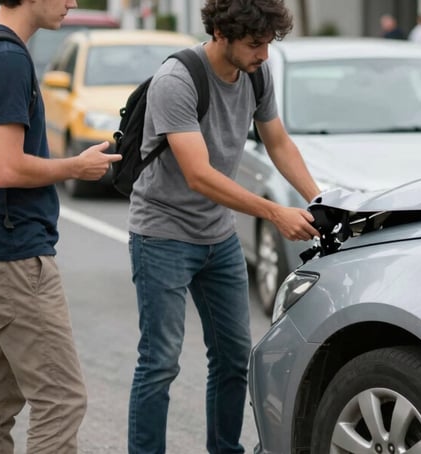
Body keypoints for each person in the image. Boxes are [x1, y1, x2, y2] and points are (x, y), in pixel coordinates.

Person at [126, 0, 320, 452]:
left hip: (217, 236)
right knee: (160, 362)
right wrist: (275, 213)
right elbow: (199, 174)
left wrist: (317, 198)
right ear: (221, 34)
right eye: (255, 44)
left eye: (268, 44)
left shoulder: (256, 74)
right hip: (162, 234)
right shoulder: (176, 81)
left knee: (235, 358)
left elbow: (278, 141)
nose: (264, 55)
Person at [0, 0, 122, 452]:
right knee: (61, 399)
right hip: (12, 258)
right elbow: (6, 168)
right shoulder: (6, 59)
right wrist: (75, 166)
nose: (72, 2)